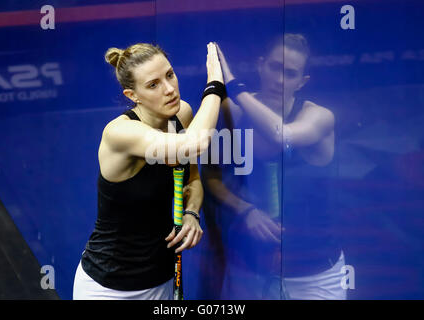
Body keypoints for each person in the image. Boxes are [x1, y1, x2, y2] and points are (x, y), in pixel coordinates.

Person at [73, 42, 225, 300]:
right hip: (108, 287)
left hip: (161, 281)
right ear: (133, 95)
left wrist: (191, 212)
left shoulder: (182, 115)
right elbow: (193, 145)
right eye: (153, 85)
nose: (169, 89)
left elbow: (194, 177)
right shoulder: (120, 133)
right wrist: (215, 85)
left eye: (169, 75)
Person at [201, 34, 345, 299]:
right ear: (260, 65)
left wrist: (233, 85)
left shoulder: (318, 116)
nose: (279, 79)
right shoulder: (233, 112)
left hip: (314, 272)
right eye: (274, 67)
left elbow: (282, 135)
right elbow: (211, 178)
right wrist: (245, 210)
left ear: (302, 82)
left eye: (290, 74)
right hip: (250, 269)